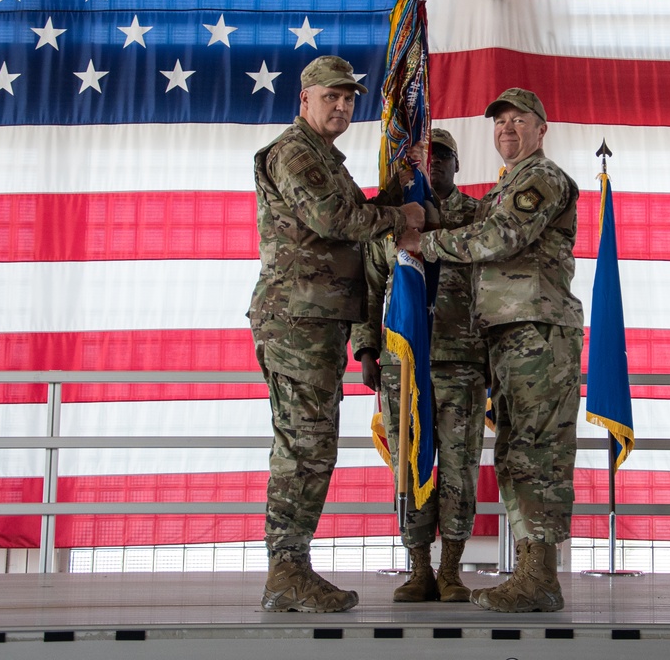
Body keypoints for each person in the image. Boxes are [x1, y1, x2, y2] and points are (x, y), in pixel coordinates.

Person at [248, 55, 425, 613]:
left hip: (315, 320)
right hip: (296, 320)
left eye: (349, 98)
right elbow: (335, 222)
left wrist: (396, 199)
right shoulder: (295, 153)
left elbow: (350, 220)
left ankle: (290, 567)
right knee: (304, 447)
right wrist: (403, 217)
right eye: (332, 96)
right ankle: (287, 570)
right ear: (305, 99)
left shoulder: (325, 157)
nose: (343, 106)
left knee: (311, 445)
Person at [399, 89, 583, 613]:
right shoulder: (509, 185)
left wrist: (427, 245)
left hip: (538, 331)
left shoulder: (540, 179)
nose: (507, 129)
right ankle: (534, 572)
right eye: (500, 122)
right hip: (509, 333)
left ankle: (539, 575)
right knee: (518, 453)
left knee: (536, 453)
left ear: (541, 129)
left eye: (518, 120)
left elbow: (500, 238)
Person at [352, 128, 488, 603]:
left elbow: (494, 288)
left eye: (442, 156)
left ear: (457, 164)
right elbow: (369, 287)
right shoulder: (389, 217)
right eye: (423, 158)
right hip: (403, 364)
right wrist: (367, 349)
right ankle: (418, 567)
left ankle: (451, 567)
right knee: (408, 465)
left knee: (458, 466)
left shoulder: (476, 216)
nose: (432, 165)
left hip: (462, 361)